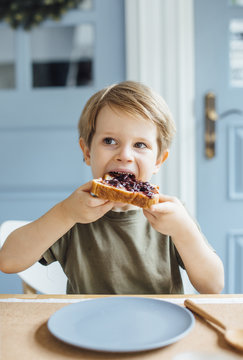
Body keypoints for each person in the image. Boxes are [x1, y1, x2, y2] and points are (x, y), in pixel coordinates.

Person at [0, 81, 224, 294]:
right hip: (87, 328)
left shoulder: (172, 216)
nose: (124, 155)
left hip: (160, 328)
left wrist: (183, 232)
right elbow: (8, 261)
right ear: (87, 152)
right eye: (109, 141)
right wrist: (64, 213)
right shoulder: (73, 214)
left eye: (140, 145)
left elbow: (213, 286)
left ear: (158, 161)